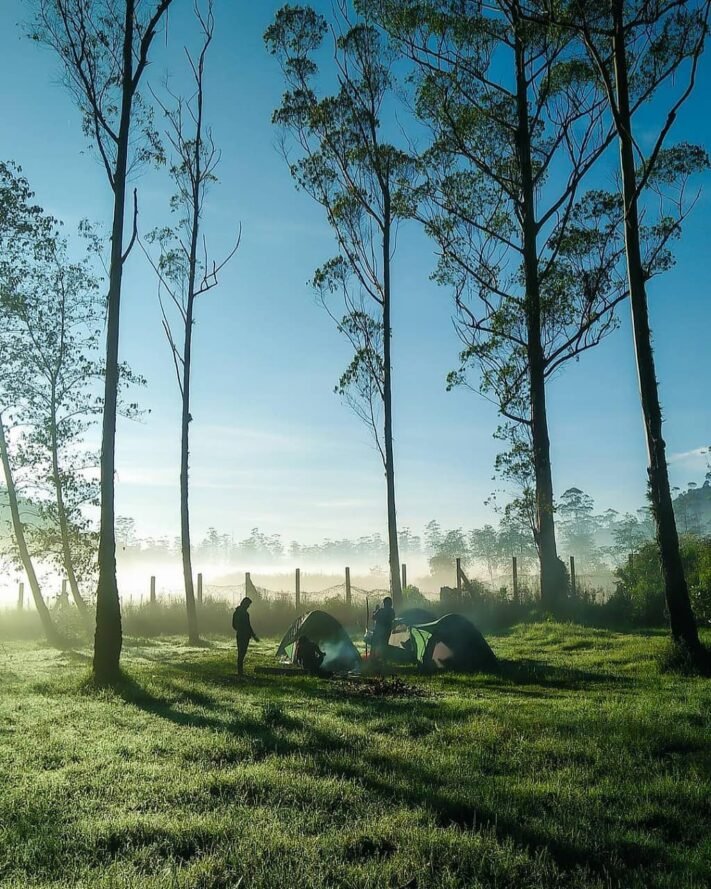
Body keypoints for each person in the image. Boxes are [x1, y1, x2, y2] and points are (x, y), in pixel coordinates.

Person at [232, 596, 259, 676]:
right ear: (245, 604)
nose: (248, 607)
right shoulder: (245, 614)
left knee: (241, 653)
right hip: (244, 636)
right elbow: (248, 626)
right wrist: (253, 635)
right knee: (242, 653)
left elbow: (233, 625)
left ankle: (240, 671)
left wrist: (239, 630)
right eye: (248, 605)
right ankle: (240, 672)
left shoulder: (236, 612)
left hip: (239, 635)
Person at [371, 596, 395, 662]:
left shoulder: (380, 610)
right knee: (384, 645)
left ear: (384, 603)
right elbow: (393, 618)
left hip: (378, 631)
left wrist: (376, 611)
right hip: (387, 631)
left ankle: (373, 659)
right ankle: (384, 659)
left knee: (374, 644)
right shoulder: (392, 611)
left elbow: (373, 617)